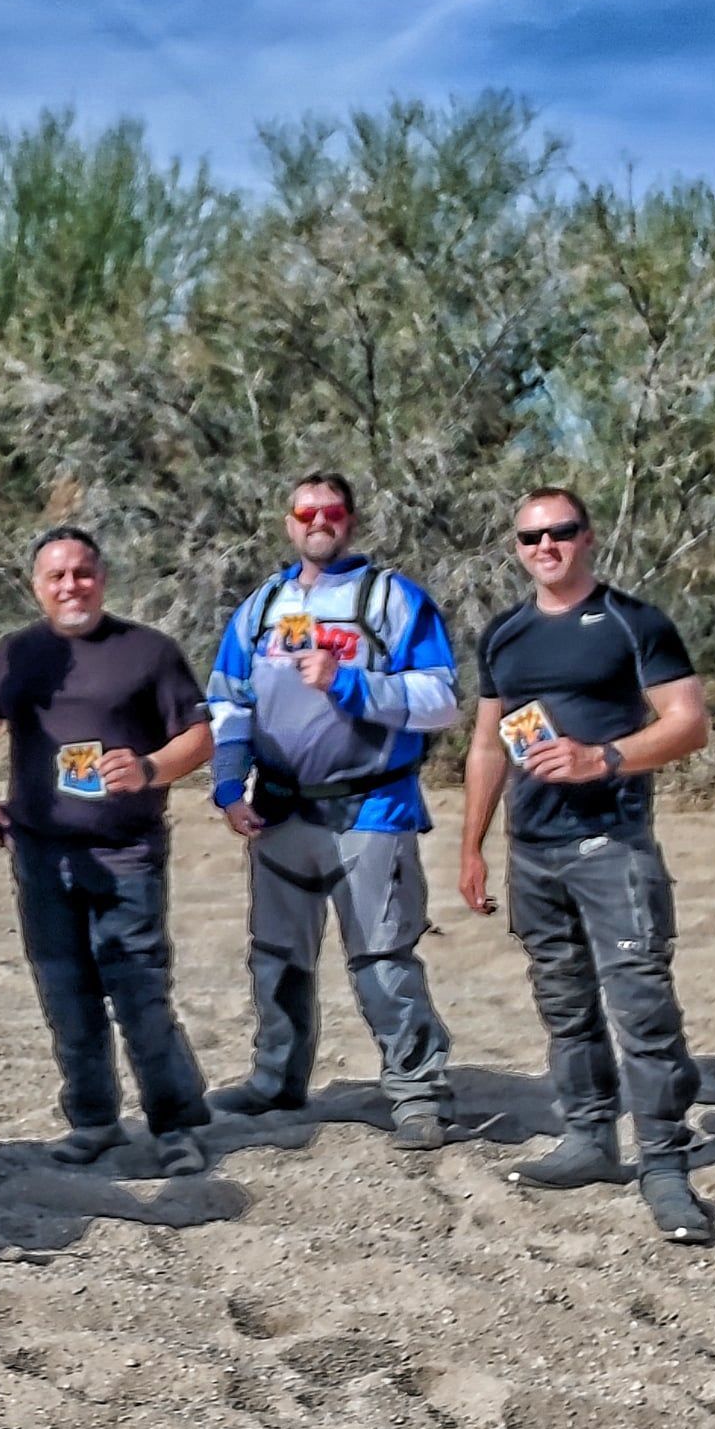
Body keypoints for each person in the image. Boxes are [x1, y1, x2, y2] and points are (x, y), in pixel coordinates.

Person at [461, 486, 715, 1244]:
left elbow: (688, 723)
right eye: (532, 537)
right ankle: (590, 1139)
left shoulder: (635, 623)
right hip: (532, 853)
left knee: (641, 1008)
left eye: (561, 532)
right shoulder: (504, 635)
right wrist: (472, 846)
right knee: (564, 1002)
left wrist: (603, 757)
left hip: (612, 846)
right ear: (516, 548)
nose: (547, 547)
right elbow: (484, 744)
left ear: (588, 537)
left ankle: (665, 1164)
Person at [206, 471, 459, 1148]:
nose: (319, 520)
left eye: (333, 510)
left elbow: (442, 699)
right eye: (305, 510)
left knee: (382, 958)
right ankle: (276, 1080)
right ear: (288, 522)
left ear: (351, 520)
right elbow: (228, 699)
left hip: (372, 810)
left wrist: (346, 681)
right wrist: (230, 784)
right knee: (277, 956)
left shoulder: (393, 600)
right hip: (281, 811)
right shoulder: (259, 608)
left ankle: (416, 1092)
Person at [0, 527, 213, 1174]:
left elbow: (198, 736)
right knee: (65, 993)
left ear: (102, 577)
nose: (71, 586)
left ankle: (175, 1125)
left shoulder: (148, 651)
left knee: (139, 994)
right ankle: (95, 1120)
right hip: (42, 855)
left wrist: (151, 769)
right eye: (56, 576)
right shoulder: (18, 653)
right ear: (36, 586)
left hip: (127, 852)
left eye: (82, 573)